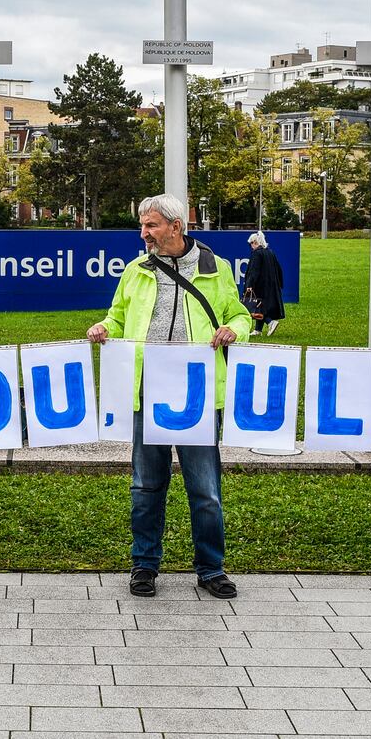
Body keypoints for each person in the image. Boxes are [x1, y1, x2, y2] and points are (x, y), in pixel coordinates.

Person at [87, 194, 252, 600]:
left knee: (206, 489)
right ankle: (144, 565)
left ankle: (211, 569)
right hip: (147, 391)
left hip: (197, 394)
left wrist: (235, 330)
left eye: (152, 226)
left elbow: (240, 315)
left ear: (176, 226)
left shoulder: (217, 270)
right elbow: (118, 316)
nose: (144, 234)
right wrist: (103, 327)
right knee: (145, 486)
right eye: (143, 226)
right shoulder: (136, 271)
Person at [242, 231, 285, 337]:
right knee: (261, 307)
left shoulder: (257, 254)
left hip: (260, 285)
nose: (251, 246)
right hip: (271, 285)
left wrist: (249, 286)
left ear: (255, 242)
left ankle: (270, 322)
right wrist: (279, 283)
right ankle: (258, 330)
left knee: (256, 306)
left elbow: (254, 271)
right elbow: (278, 269)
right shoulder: (270, 252)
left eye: (251, 243)